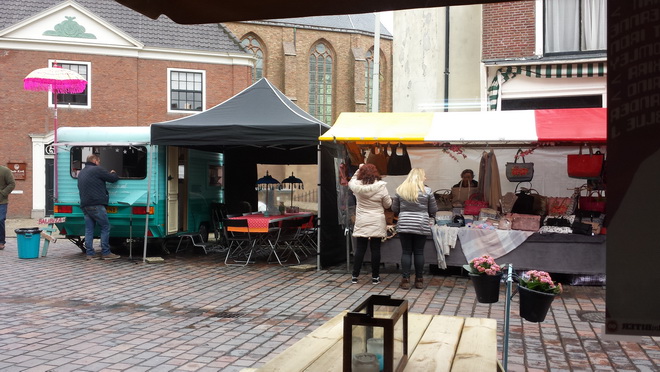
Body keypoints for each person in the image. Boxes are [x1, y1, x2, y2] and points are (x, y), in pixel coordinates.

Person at [392, 168, 437, 289]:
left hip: (404, 223)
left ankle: (405, 280)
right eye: (424, 176)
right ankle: (419, 280)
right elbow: (433, 210)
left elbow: (394, 209)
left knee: (406, 252)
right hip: (421, 224)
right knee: (419, 252)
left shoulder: (400, 190)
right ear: (421, 177)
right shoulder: (427, 191)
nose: (425, 178)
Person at [348, 163, 392, 284]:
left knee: (360, 249)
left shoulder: (356, 186)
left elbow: (351, 180)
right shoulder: (381, 186)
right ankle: (375, 277)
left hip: (362, 219)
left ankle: (354, 276)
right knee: (375, 249)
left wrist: (359, 169)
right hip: (376, 220)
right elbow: (388, 204)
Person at [77, 154, 120, 260]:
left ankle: (90, 253)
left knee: (89, 230)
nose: (99, 163)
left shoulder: (81, 172)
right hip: (96, 204)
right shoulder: (97, 169)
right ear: (95, 161)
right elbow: (113, 179)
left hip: (85, 205)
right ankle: (106, 252)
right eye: (99, 161)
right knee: (105, 227)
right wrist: (114, 172)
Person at [0, 165, 16, 250]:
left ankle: (1, 242)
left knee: (0, 220)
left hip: (1, 202)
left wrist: (2, 193)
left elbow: (12, 184)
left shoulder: (5, 171)